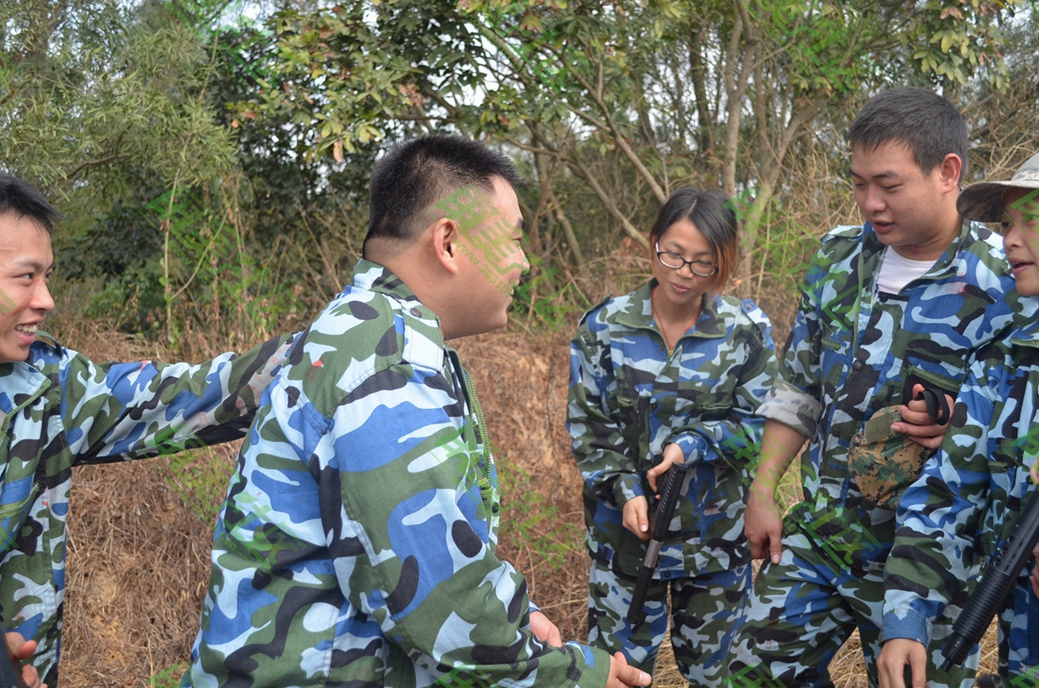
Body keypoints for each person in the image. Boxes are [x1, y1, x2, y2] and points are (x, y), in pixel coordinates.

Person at [182, 136, 652, 688]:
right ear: (448, 242)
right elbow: (443, 609)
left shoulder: (369, 329)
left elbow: (421, 547)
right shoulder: (386, 361)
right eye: (513, 240)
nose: (524, 264)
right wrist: (577, 676)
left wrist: (517, 614)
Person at [727, 87, 1032, 687]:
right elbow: (798, 387)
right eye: (859, 183)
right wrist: (762, 490)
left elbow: (1009, 419)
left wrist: (963, 429)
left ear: (948, 173)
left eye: (889, 185)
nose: (871, 203)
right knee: (750, 672)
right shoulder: (839, 257)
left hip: (930, 563)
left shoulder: (1009, 277)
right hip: (822, 535)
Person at [0, 173, 296, 687]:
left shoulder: (47, 385)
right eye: (26, 277)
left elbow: (183, 396)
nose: (46, 299)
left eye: (47, 276)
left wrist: (330, 344)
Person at [567, 187, 777, 686]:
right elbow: (591, 428)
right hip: (624, 543)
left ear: (723, 262)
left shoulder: (745, 330)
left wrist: (694, 444)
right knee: (619, 676)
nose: (684, 273)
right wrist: (626, 491)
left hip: (714, 543)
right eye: (673, 255)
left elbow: (761, 427)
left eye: (702, 262)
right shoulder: (604, 328)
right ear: (653, 244)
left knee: (720, 676)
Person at [878, 152, 1039, 687]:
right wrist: (906, 617)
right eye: (1007, 224)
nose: (1011, 240)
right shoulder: (1007, 352)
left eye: (1031, 221)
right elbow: (950, 489)